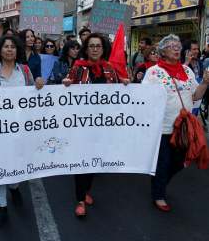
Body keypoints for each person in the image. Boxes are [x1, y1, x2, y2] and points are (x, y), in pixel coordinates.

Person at [0, 35, 45, 227]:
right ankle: (1, 206)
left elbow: (34, 95)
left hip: (21, 128)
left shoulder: (26, 71)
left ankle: (14, 186)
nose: (9, 50)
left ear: (18, 51)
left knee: (16, 160)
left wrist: (39, 83)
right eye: (5, 46)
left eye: (13, 47)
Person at [62, 33, 130, 216]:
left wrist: (124, 84)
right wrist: (66, 83)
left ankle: (85, 190)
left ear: (103, 49)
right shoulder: (77, 69)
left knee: (95, 160)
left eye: (98, 46)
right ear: (85, 49)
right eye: (91, 46)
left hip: (102, 124)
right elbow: (65, 93)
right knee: (81, 162)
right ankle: (80, 200)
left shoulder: (110, 68)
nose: (94, 49)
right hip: (81, 124)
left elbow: (117, 94)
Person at [142, 34, 209, 212]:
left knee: (179, 163)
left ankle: (160, 184)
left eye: (178, 46)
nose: (177, 48)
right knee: (162, 163)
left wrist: (205, 82)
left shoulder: (187, 71)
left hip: (184, 128)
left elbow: (195, 96)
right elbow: (144, 97)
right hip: (162, 127)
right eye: (172, 46)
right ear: (162, 51)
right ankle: (158, 193)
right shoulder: (154, 72)